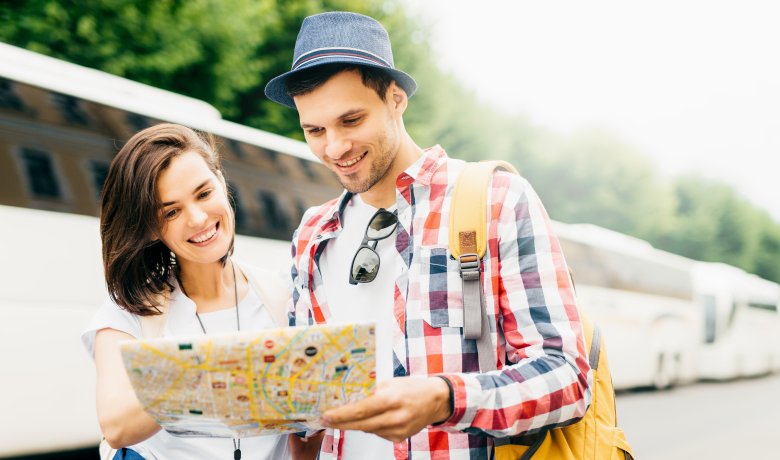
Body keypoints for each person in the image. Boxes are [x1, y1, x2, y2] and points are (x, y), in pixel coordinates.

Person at [264, 11, 593, 460]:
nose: (334, 147)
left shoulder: (496, 199)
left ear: (396, 99)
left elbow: (567, 379)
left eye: (351, 120)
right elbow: (306, 400)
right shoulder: (312, 232)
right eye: (314, 130)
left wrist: (446, 398)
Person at [81, 123, 302, 459]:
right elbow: (116, 426)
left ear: (222, 182)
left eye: (204, 193)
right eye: (171, 211)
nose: (198, 218)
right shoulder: (130, 312)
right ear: (151, 228)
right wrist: (216, 372)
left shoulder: (282, 296)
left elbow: (304, 432)